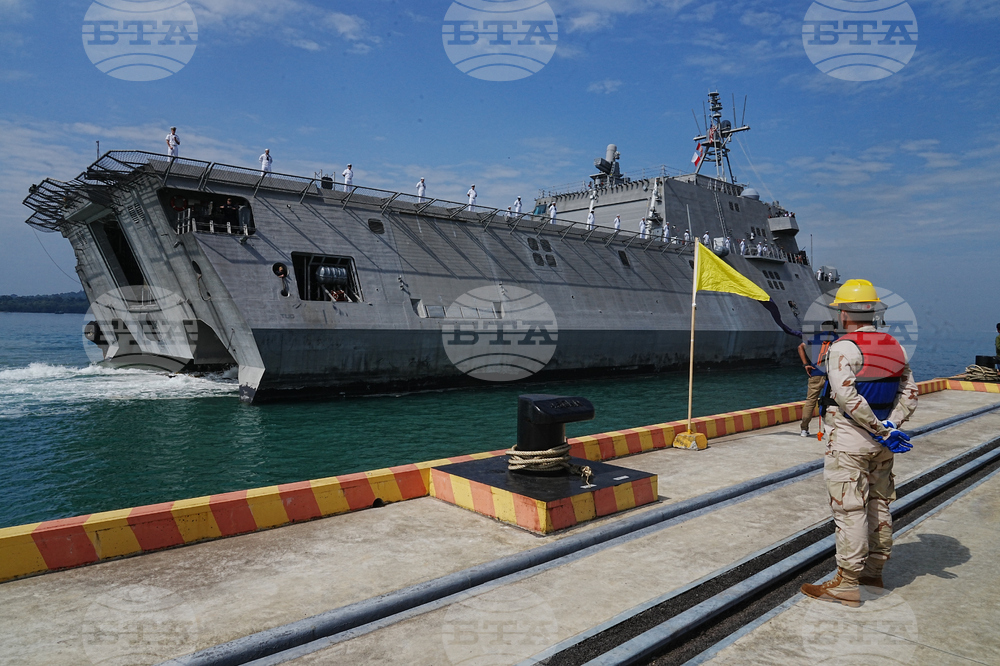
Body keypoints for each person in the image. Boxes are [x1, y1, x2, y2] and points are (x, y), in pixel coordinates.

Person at [800, 279, 918, 607]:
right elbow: (910, 393)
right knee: (879, 503)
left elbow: (846, 396)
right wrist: (892, 426)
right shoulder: (895, 346)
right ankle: (873, 572)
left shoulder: (843, 348)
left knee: (850, 508)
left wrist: (879, 428)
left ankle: (848, 582)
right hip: (883, 445)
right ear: (874, 311)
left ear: (843, 313)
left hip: (851, 442)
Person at [797, 320, 837, 437]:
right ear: (834, 329)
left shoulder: (814, 337)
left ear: (822, 328)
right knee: (830, 403)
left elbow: (800, 347)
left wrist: (805, 364)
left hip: (815, 374)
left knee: (810, 402)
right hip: (831, 376)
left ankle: (804, 429)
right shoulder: (838, 339)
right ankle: (826, 431)